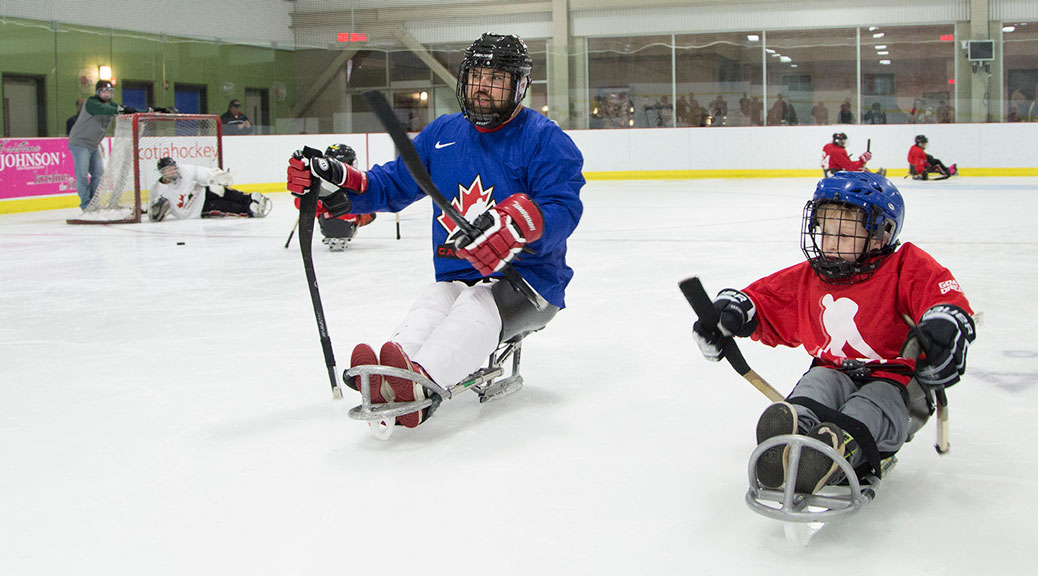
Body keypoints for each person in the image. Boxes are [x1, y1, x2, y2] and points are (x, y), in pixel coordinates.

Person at [286, 32, 584, 429]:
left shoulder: (545, 140)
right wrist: (339, 182)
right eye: (478, 76)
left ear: (519, 86)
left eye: (497, 79)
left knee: (476, 305)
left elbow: (563, 207)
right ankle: (393, 374)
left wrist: (518, 224)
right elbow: (389, 186)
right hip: (459, 274)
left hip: (529, 281)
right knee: (437, 297)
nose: (483, 88)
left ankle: (420, 385)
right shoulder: (442, 135)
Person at [692, 171, 976, 495]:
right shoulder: (811, 276)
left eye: (842, 235)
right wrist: (729, 315)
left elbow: (943, 298)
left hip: (896, 382)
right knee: (817, 385)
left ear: (881, 234)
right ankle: (791, 435)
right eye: (824, 230)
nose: (828, 243)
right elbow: (767, 301)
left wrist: (943, 326)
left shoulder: (905, 266)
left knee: (871, 404)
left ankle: (838, 448)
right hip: (833, 369)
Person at [292, 143, 377, 251]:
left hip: (326, 223)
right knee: (368, 211)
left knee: (321, 206)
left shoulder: (322, 186)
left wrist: (308, 198)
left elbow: (298, 203)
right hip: (348, 221)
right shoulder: (355, 184)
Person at [68, 80, 137, 210]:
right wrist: (121, 109)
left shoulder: (111, 105)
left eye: (109, 92)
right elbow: (104, 109)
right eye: (103, 91)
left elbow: (128, 110)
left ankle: (94, 203)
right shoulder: (91, 102)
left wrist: (152, 110)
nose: (106, 94)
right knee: (82, 174)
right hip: (80, 143)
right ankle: (86, 205)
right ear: (97, 92)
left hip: (94, 145)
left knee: (98, 174)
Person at [148, 157, 271, 221]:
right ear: (161, 173)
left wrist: (213, 177)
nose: (172, 171)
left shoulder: (184, 170)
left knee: (225, 192)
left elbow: (199, 172)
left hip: (202, 192)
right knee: (223, 205)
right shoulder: (158, 190)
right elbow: (154, 213)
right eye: (167, 170)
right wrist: (156, 211)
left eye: (172, 168)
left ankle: (249, 198)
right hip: (196, 210)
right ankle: (248, 209)